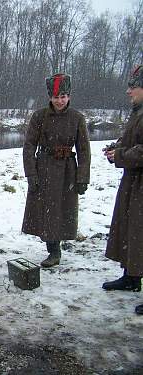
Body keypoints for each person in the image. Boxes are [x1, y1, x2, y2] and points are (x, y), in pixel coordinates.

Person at [22, 73, 91, 268]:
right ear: (50, 97)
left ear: (68, 96)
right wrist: (31, 174)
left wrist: (82, 177)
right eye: (55, 97)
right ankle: (52, 248)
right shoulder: (39, 116)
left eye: (63, 96)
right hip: (44, 168)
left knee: (61, 209)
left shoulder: (77, 118)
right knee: (47, 211)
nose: (59, 101)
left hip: (67, 170)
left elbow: (84, 150)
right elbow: (29, 147)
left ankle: (56, 249)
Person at [102, 64, 143, 315]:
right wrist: (116, 148)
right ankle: (132, 276)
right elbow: (133, 141)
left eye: (133, 87)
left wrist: (121, 154)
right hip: (133, 181)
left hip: (140, 181)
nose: (128, 91)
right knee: (131, 230)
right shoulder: (137, 112)